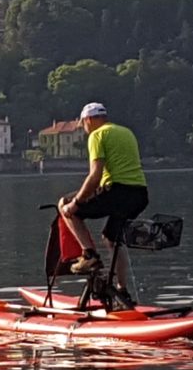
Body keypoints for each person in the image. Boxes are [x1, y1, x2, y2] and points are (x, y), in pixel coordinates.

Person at [58, 102, 148, 303]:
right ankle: (122, 290)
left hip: (117, 191)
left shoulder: (97, 135)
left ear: (89, 119)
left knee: (65, 204)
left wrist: (76, 204)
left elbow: (95, 175)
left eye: (83, 123)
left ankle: (89, 255)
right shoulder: (126, 132)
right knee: (112, 238)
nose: (83, 128)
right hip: (140, 195)